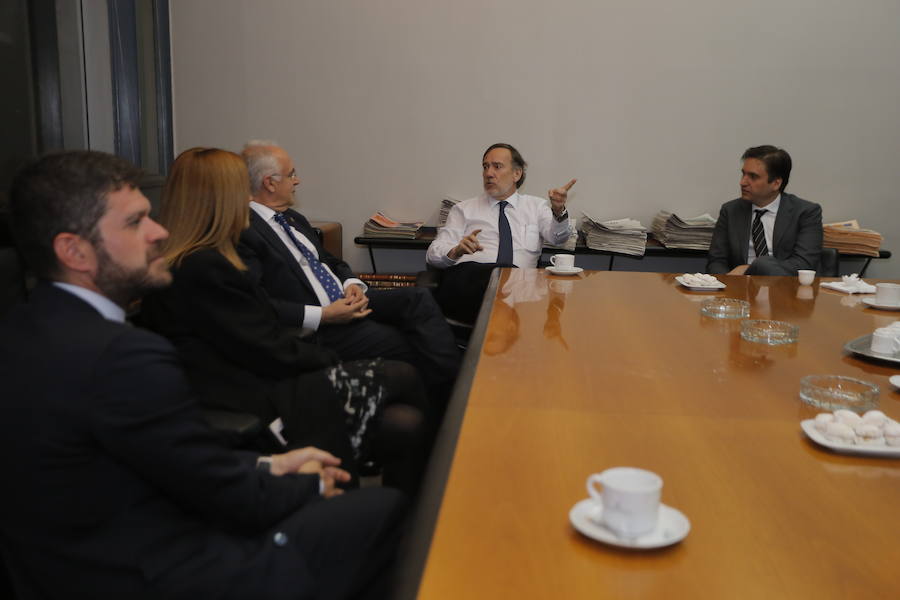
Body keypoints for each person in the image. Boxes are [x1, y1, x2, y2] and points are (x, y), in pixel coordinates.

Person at [0, 150, 405, 599]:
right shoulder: (122, 357)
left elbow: (164, 462)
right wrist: (308, 482)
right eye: (135, 223)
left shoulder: (23, 329)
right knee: (384, 509)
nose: (158, 232)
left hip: (73, 562)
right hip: (158, 572)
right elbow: (227, 497)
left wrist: (268, 465)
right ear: (74, 251)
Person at [139, 147, 428, 493]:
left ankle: (422, 497)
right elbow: (261, 345)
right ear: (220, 200)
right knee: (406, 396)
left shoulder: (195, 259)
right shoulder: (205, 267)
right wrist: (329, 361)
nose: (248, 199)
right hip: (255, 392)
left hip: (259, 375)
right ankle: (426, 494)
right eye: (241, 191)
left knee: (408, 411)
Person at [238, 141, 460, 400]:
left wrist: (352, 284)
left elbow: (331, 262)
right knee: (414, 346)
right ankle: (456, 401)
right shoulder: (245, 231)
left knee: (419, 298)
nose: (297, 181)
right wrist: (324, 315)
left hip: (347, 299)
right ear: (270, 183)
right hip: (322, 324)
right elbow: (257, 303)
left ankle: (460, 391)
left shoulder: (292, 218)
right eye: (291, 174)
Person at [425, 143, 576, 323]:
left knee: (512, 278)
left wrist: (558, 211)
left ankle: (504, 323)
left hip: (519, 292)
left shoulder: (536, 207)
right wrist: (456, 251)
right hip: (470, 286)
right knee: (497, 275)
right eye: (485, 167)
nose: (488, 173)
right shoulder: (463, 209)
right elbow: (433, 254)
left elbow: (559, 238)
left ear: (516, 174)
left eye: (497, 166)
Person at [706, 145, 822, 276]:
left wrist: (750, 268)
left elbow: (803, 264)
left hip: (783, 285)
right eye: (743, 174)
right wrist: (728, 282)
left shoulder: (806, 213)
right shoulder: (730, 211)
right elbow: (716, 261)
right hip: (738, 285)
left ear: (776, 183)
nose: (743, 182)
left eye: (753, 176)